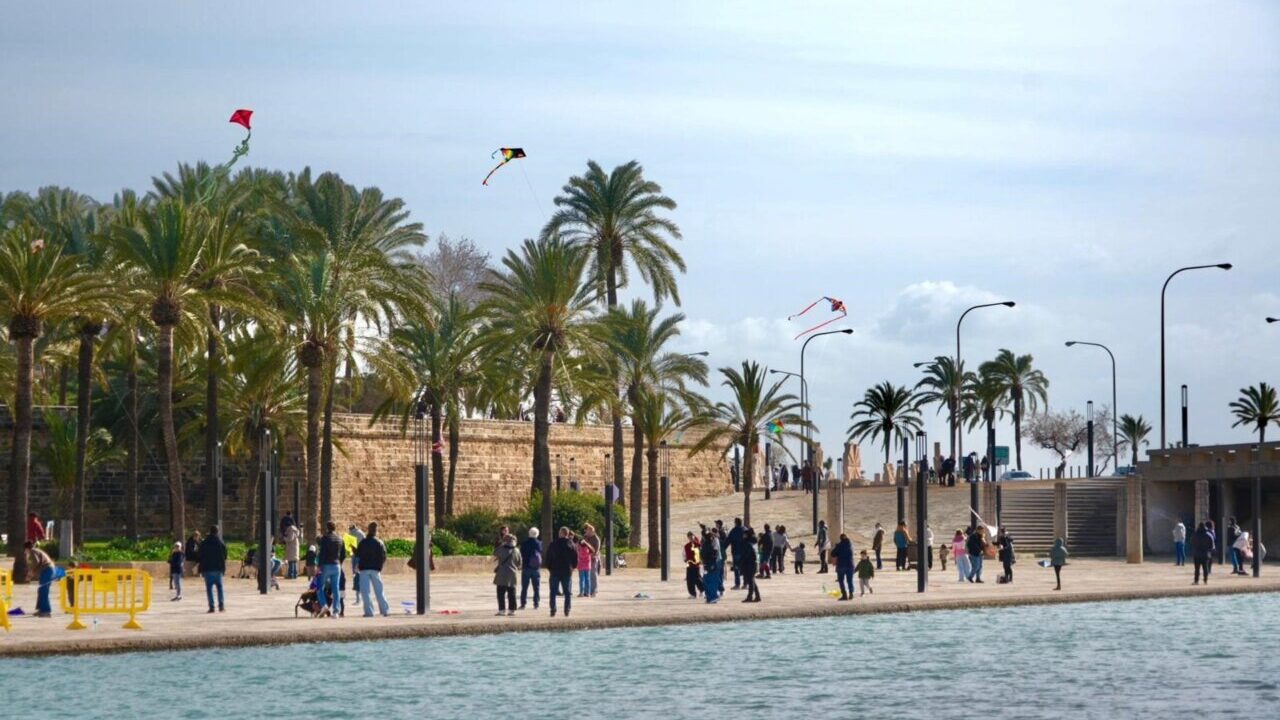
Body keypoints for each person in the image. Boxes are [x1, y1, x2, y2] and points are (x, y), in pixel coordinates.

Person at [356, 522, 390, 617]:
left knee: (365, 592)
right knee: (379, 591)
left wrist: (352, 548)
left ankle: (369, 612)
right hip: (375, 569)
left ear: (368, 530)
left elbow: (358, 554)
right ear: (376, 531)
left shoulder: (363, 542)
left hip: (364, 569)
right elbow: (384, 556)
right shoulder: (379, 542)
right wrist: (380, 566)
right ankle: (385, 610)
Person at [545, 527, 577, 617]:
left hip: (555, 570)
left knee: (553, 592)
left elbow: (548, 557)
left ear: (560, 533)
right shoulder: (572, 544)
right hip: (567, 571)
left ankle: (553, 609)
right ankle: (567, 610)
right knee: (567, 592)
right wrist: (573, 567)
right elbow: (575, 558)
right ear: (567, 534)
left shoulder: (553, 544)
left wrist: (549, 567)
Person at [317, 522, 346, 618]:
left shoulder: (325, 539)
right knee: (336, 589)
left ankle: (324, 605)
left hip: (326, 565)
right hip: (337, 565)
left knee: (319, 587)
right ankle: (336, 612)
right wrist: (339, 563)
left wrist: (319, 566)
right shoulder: (340, 539)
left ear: (327, 528)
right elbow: (343, 554)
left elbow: (322, 553)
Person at [199, 525, 228, 613]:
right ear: (217, 532)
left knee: (209, 588)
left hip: (208, 568)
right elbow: (225, 555)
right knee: (220, 588)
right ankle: (221, 606)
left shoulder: (204, 543)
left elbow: (200, 555)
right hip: (218, 568)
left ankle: (211, 607)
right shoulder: (221, 542)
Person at [24, 542, 57, 617]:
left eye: (25, 550)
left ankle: (46, 611)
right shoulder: (35, 551)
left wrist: (30, 575)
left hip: (47, 570)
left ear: (27, 548)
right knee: (41, 590)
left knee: (43, 590)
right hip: (48, 570)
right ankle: (41, 609)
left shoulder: (32, 552)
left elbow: (36, 562)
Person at [493, 532, 521, 616]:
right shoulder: (517, 550)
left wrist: (501, 544)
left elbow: (495, 553)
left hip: (502, 574)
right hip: (512, 574)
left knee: (500, 593)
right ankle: (512, 610)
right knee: (512, 593)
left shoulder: (501, 549)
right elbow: (519, 563)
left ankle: (502, 610)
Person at [520, 527, 543, 609]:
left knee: (524, 587)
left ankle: (523, 604)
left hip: (526, 566)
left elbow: (522, 554)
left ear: (529, 533)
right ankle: (536, 603)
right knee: (536, 587)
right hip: (536, 568)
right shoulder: (539, 543)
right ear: (537, 534)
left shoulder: (524, 543)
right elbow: (540, 552)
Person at [702, 526, 722, 603]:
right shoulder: (707, 543)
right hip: (708, 565)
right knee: (706, 580)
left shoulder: (711, 543)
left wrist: (711, 563)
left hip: (711, 565)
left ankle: (713, 597)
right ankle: (709, 597)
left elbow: (714, 553)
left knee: (711, 581)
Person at [832, 533, 855, 601]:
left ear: (841, 539)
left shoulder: (839, 545)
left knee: (841, 580)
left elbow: (833, 553)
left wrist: (836, 547)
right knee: (850, 580)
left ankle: (844, 595)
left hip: (841, 565)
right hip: (850, 565)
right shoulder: (851, 545)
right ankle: (851, 594)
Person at [724, 518, 745, 589]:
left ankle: (737, 584)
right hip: (745, 552)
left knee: (737, 569)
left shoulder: (734, 531)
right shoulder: (745, 529)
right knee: (745, 568)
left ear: (735, 523)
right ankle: (746, 584)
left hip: (736, 552)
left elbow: (728, 540)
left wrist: (722, 548)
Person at [346, 524, 364, 606]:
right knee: (359, 578)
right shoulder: (361, 534)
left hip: (356, 557)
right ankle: (360, 598)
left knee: (357, 578)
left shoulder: (350, 534)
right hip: (359, 557)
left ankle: (358, 599)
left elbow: (349, 547)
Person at [740, 530, 760, 603]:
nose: (743, 536)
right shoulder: (753, 542)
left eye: (744, 534)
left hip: (750, 564)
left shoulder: (748, 543)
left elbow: (746, 555)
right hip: (753, 563)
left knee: (750, 581)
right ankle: (757, 596)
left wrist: (740, 562)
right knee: (752, 580)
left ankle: (750, 597)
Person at [582, 524, 602, 596]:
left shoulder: (596, 539)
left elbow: (596, 550)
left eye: (586, 530)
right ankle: (586, 590)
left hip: (593, 559)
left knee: (593, 574)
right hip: (585, 559)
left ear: (590, 530)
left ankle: (594, 590)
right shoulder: (585, 537)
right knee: (586, 575)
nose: (585, 532)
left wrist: (591, 555)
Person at [683, 531, 704, 598]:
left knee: (697, 578)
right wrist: (685, 559)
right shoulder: (686, 546)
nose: (691, 538)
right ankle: (692, 594)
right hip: (689, 564)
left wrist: (701, 560)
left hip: (696, 565)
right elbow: (684, 554)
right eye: (689, 537)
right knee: (690, 579)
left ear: (694, 536)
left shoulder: (698, 545)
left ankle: (702, 590)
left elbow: (701, 553)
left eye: (692, 536)